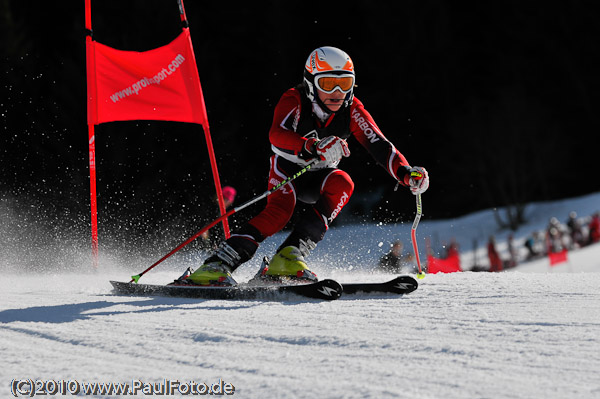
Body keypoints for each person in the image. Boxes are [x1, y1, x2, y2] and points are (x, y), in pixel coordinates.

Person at [180, 46, 429, 286]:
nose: (337, 93)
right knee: (280, 213)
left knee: (343, 183)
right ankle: (217, 263)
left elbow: (379, 144)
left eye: (345, 84)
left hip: (318, 175)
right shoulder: (294, 99)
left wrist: (405, 174)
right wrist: (313, 146)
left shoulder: (352, 110)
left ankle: (289, 256)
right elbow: (277, 134)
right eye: (328, 84)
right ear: (311, 83)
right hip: (287, 170)